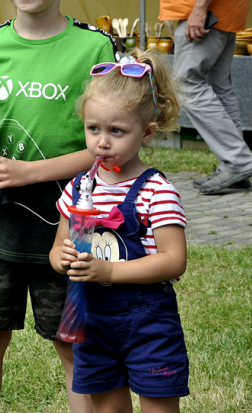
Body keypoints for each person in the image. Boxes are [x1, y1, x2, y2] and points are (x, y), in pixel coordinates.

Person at [0, 0, 117, 413]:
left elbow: (105, 150)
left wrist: (30, 172)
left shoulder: (93, 48)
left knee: (71, 345)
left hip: (71, 223)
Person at [50, 51, 188, 413]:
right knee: (108, 408)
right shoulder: (80, 187)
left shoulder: (156, 190)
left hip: (148, 324)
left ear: (147, 133)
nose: (102, 142)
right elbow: (56, 250)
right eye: (93, 128)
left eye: (117, 131)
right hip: (92, 320)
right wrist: (62, 260)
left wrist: (110, 271)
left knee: (159, 407)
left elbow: (174, 261)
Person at [159, 0, 252, 194]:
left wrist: (199, 10)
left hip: (204, 13)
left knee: (187, 81)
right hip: (218, 11)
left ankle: (237, 161)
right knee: (218, 84)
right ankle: (233, 165)